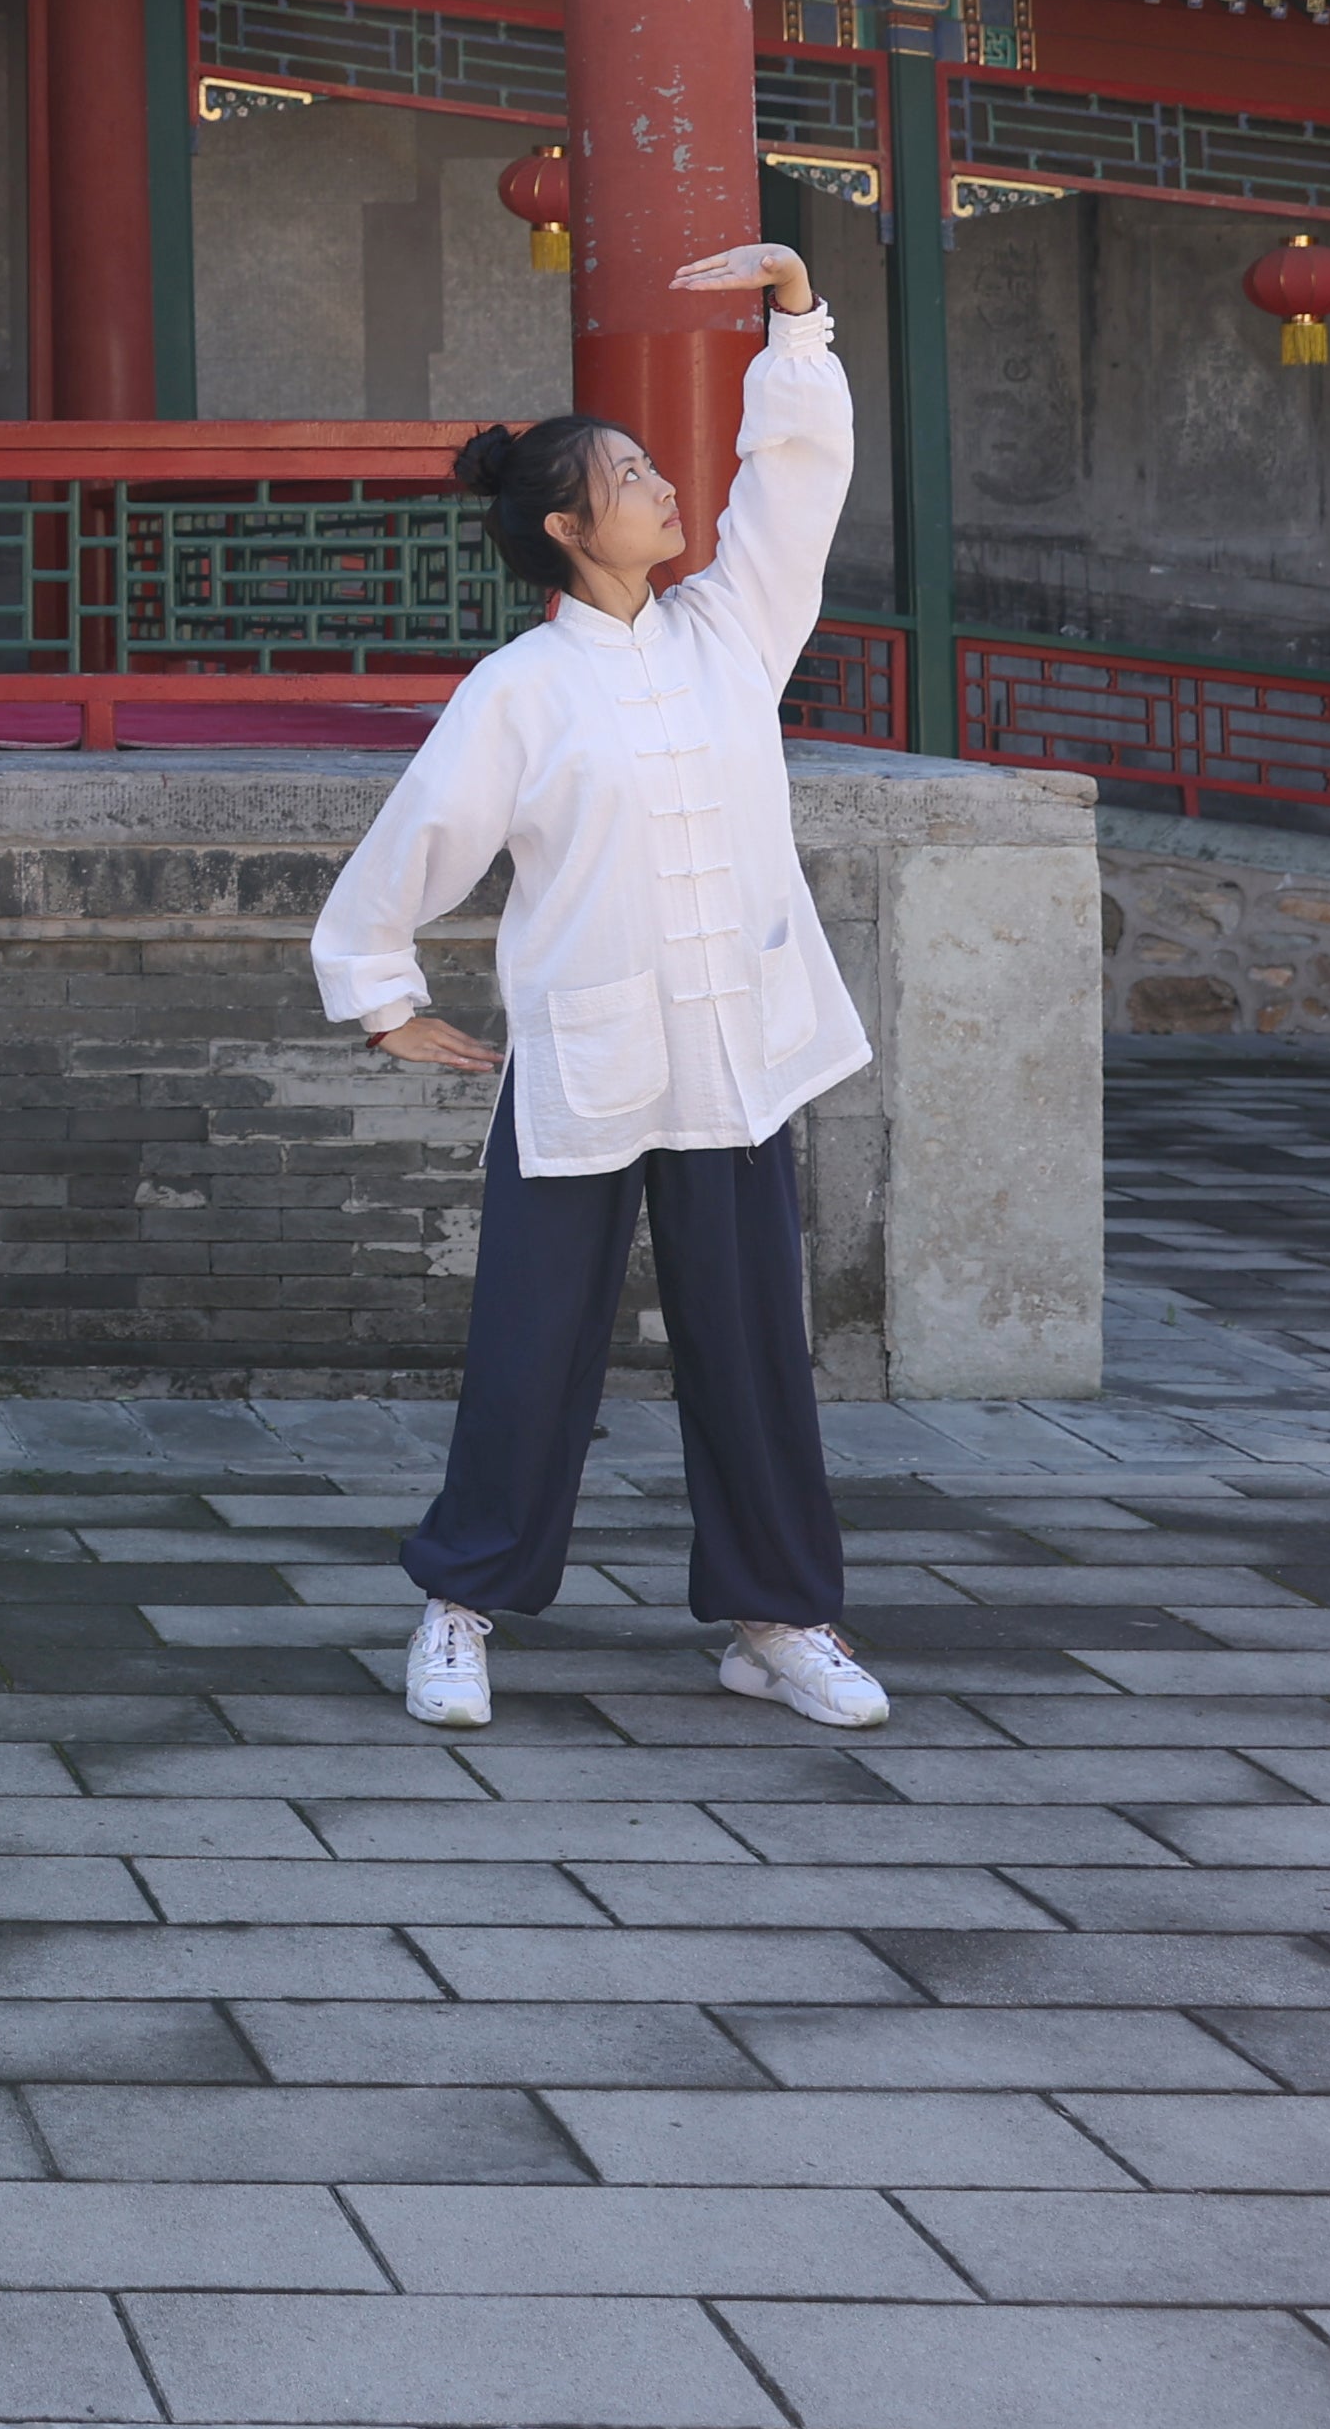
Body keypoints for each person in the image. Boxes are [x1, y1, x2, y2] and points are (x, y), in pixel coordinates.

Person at [307, 235, 890, 1740]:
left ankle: (779, 1617)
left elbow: (796, 489)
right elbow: (414, 843)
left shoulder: (732, 633)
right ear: (572, 526)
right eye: (633, 476)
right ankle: (460, 1604)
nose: (666, 489)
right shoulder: (520, 690)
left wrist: (798, 323)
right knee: (531, 1350)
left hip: (732, 1055)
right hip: (579, 1060)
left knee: (755, 1349)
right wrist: (380, 992)